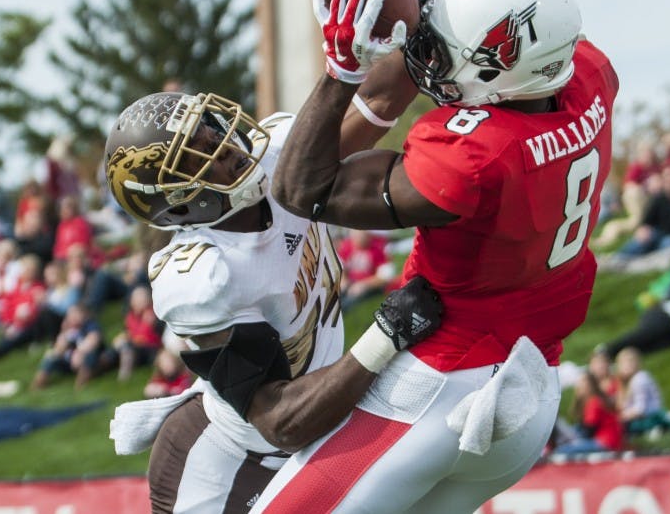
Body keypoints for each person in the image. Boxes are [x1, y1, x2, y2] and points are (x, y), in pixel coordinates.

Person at [263, 0, 617, 512]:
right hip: (530, 391)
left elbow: (301, 187)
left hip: (437, 389)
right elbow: (503, 37)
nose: (430, 55)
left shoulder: (471, 157)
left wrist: (342, 71)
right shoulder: (586, 76)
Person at [103, 86, 443, 513]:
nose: (224, 146)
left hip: (320, 436)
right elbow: (280, 421)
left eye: (211, 129)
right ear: (177, 199)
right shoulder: (205, 275)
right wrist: (385, 337)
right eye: (197, 155)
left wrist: (363, 59)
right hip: (231, 464)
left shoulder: (279, 156)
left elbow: (378, 101)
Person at [336, 229, 396, 309]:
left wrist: (364, 285)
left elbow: (384, 277)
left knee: (349, 302)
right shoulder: (347, 245)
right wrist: (344, 280)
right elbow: (342, 266)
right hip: (352, 283)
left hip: (370, 285)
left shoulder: (378, 248)